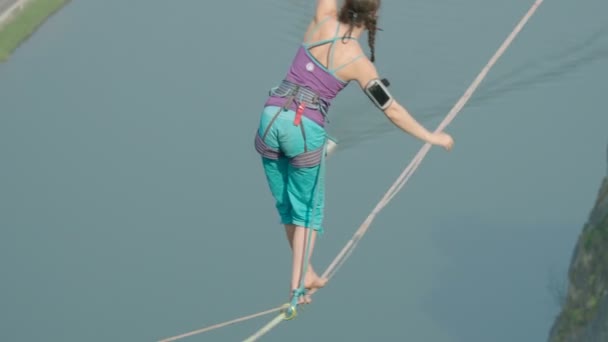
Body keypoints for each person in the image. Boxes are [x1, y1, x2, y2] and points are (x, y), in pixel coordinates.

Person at [254, 0, 454, 306]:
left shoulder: (321, 18)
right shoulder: (359, 63)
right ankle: (296, 288)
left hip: (270, 120)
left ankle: (305, 272)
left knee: (287, 205)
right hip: (303, 131)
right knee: (307, 211)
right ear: (372, 18)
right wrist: (431, 137)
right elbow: (393, 111)